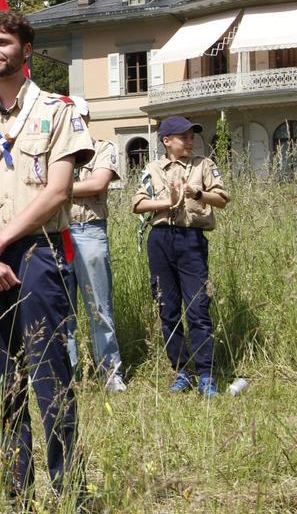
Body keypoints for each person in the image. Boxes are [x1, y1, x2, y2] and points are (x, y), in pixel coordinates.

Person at [0, 10, 94, 501]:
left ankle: (69, 490)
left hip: (39, 254)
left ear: (26, 50)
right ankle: (17, 494)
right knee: (2, 382)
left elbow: (57, 193)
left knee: (52, 377)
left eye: (3, 42)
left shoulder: (58, 111)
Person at [132, 116, 229, 398]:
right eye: (183, 137)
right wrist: (167, 201)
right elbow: (137, 204)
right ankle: (181, 371)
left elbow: (222, 200)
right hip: (160, 240)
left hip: (191, 239)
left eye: (191, 136)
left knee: (198, 307)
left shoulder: (204, 165)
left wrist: (197, 192)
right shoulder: (152, 169)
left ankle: (206, 375)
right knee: (167, 308)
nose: (190, 141)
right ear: (166, 141)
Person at [67, 105, 126, 392]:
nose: (74, 121)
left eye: (78, 116)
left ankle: (110, 372)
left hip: (89, 229)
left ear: (87, 118)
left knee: (99, 307)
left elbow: (99, 183)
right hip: (57, 232)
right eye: (68, 117)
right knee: (60, 308)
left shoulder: (103, 148)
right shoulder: (53, 152)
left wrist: (56, 187)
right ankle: (65, 372)